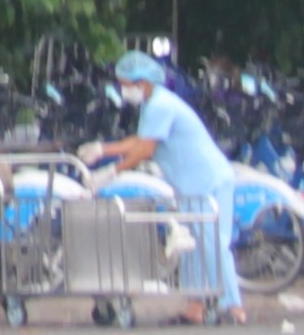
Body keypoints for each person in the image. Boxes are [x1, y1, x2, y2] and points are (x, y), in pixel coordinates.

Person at [95, 49, 245, 319]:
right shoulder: (152, 104)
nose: (123, 90)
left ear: (142, 83)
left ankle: (233, 307)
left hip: (208, 180)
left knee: (212, 244)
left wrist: (112, 170)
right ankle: (195, 308)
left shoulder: (161, 105)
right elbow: (140, 140)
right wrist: (103, 150)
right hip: (191, 183)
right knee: (192, 247)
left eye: (126, 85)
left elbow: (145, 149)